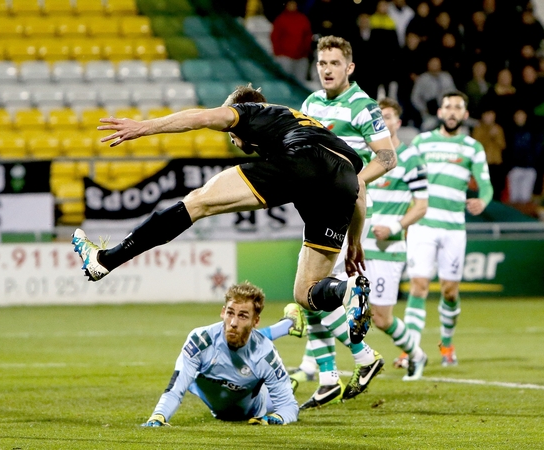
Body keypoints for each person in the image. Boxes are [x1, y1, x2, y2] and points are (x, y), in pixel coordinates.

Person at [72, 83, 399, 347]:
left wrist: (146, 127)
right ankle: (346, 290)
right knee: (306, 292)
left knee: (198, 202)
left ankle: (105, 260)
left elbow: (199, 118)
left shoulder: (253, 112)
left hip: (305, 162)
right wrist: (355, 242)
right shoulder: (305, 126)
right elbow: (358, 190)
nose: (232, 140)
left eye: (232, 135)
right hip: (343, 180)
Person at [292, 35, 396, 409]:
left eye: (334, 63)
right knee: (309, 297)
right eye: (322, 63)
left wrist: (352, 182)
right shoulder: (311, 103)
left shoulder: (364, 106)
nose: (327, 70)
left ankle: (360, 359)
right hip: (317, 208)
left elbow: (387, 158)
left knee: (308, 292)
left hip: (343, 207)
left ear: (349, 67)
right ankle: (329, 377)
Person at [404, 91, 493, 368]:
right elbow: (405, 177)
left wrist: (483, 199)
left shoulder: (472, 148)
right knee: (418, 287)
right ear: (440, 113)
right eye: (448, 107)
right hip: (423, 225)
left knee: (450, 292)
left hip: (454, 228)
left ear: (465, 115)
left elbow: (486, 184)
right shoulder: (421, 142)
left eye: (458, 108)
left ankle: (446, 345)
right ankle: (410, 350)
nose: (452, 112)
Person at [141, 282, 303, 427]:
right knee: (245, 337)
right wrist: (158, 416)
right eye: (230, 313)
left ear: (256, 321)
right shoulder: (201, 341)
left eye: (242, 316)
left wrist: (274, 419)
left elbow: (288, 406)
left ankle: (287, 379)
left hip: (255, 405)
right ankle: (287, 324)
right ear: (223, 312)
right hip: (219, 400)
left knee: (272, 394)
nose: (233, 322)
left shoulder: (265, 354)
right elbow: (175, 389)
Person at [365, 98, 429, 381]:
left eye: (388, 116)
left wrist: (395, 226)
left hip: (388, 250)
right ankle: (323, 370)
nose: (383, 121)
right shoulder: (367, 155)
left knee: (381, 319)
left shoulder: (411, 159)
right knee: (336, 307)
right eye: (379, 116)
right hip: (360, 247)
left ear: (397, 123)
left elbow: (421, 205)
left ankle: (416, 354)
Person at [269, 0, 312, 83]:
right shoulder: (281, 19)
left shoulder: (303, 19)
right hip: (285, 56)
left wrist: (306, 51)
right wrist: (278, 52)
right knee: (284, 81)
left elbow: (307, 36)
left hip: (301, 57)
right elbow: (275, 37)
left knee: (300, 82)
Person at [411, 57, 456, 131]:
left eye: (437, 64)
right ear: (428, 65)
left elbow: (454, 93)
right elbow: (415, 97)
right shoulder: (422, 79)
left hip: (445, 111)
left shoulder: (446, 77)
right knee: (428, 127)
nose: (435, 67)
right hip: (428, 112)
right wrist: (423, 109)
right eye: (433, 64)